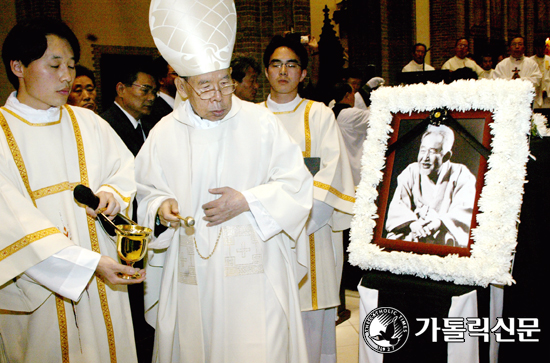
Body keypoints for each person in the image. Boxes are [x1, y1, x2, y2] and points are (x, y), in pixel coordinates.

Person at [137, 1, 312, 361]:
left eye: (225, 83)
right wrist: (160, 208)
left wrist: (247, 200)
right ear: (182, 86)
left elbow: (297, 184)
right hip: (192, 275)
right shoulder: (164, 133)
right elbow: (145, 192)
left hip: (255, 272)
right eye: (205, 87)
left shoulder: (261, 122)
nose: (219, 97)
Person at [0, 18, 143, 363]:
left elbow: (123, 169)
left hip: (102, 282)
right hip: (38, 289)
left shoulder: (88, 122)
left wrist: (111, 192)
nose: (67, 76)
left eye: (71, 65)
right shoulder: (2, 135)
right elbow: (11, 222)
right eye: (54, 65)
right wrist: (87, 264)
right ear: (18, 66)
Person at [262, 34, 356, 363]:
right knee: (265, 320)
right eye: (276, 64)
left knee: (310, 320)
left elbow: (332, 172)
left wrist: (300, 219)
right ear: (266, 71)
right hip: (262, 232)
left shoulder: (318, 116)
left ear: (303, 73)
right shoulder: (249, 118)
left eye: (292, 65)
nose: (283, 71)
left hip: (312, 231)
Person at [385, 125, 476, 247]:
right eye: (423, 150)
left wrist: (439, 223)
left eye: (432, 152)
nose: (425, 158)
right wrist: (413, 224)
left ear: (447, 156)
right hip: (414, 232)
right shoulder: (411, 171)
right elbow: (398, 205)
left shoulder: (460, 173)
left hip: (443, 234)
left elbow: (463, 211)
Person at [100, 63, 157, 156]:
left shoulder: (150, 127)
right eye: (145, 90)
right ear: (121, 89)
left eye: (154, 92)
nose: (152, 98)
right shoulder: (105, 126)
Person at [332, 82, 369, 186]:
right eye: (354, 93)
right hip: (353, 167)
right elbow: (377, 117)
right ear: (347, 95)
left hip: (339, 167)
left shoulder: (330, 111)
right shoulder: (349, 114)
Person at [146, 56, 178, 125]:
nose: (180, 78)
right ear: (161, 80)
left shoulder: (181, 105)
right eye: (175, 74)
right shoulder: (154, 109)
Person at [530, 37, 550, 108]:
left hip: (548, 95)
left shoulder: (549, 60)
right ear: (535, 48)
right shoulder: (530, 61)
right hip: (535, 94)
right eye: (538, 48)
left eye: (542, 47)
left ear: (545, 47)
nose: (540, 50)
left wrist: (546, 89)